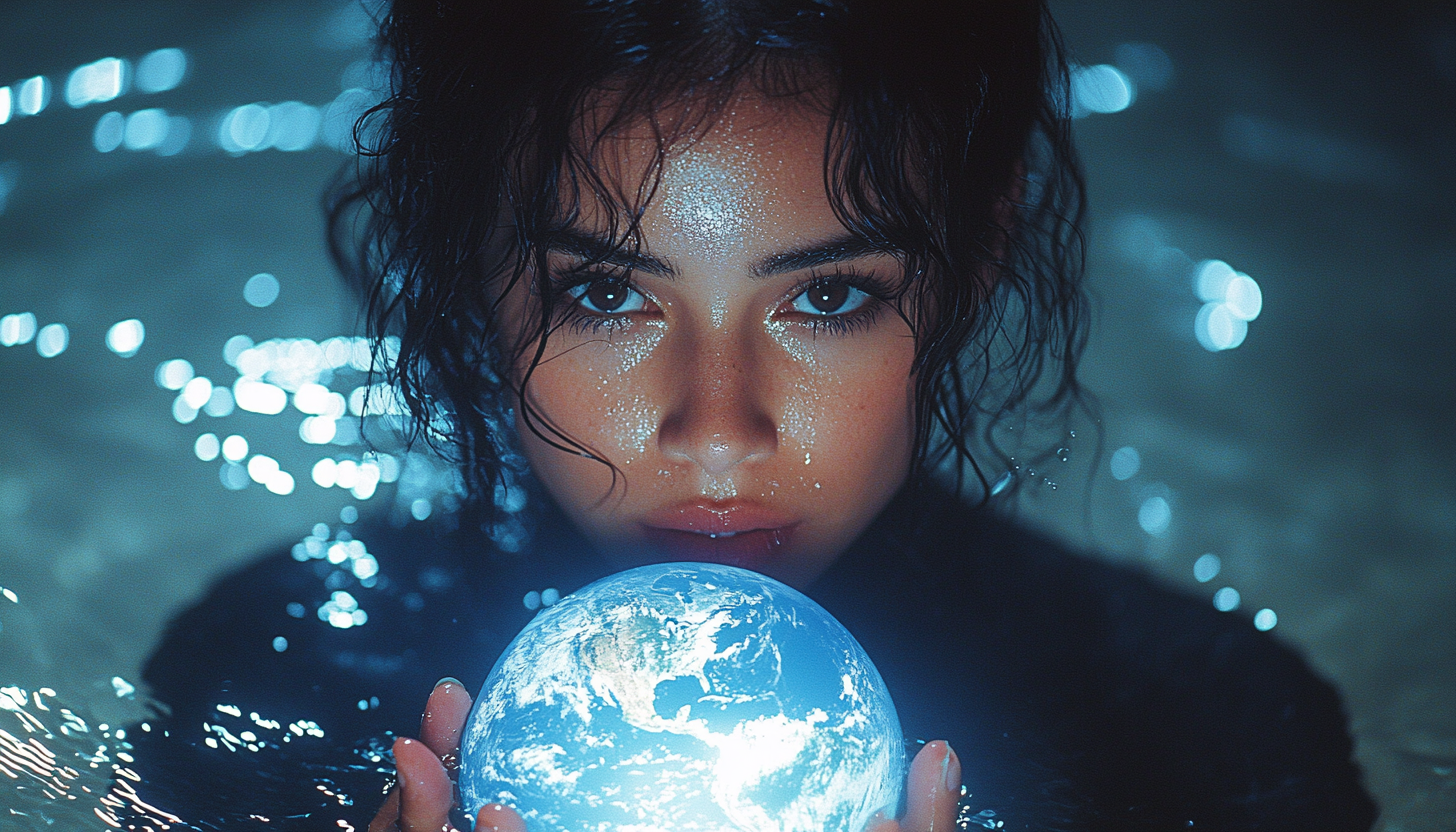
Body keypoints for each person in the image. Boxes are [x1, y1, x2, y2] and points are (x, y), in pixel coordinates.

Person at [131, 0, 1379, 829]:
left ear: (971, 257)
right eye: (605, 291)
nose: (717, 429)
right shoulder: (261, 676)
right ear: (469, 271)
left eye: (828, 295)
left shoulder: (1203, 736)